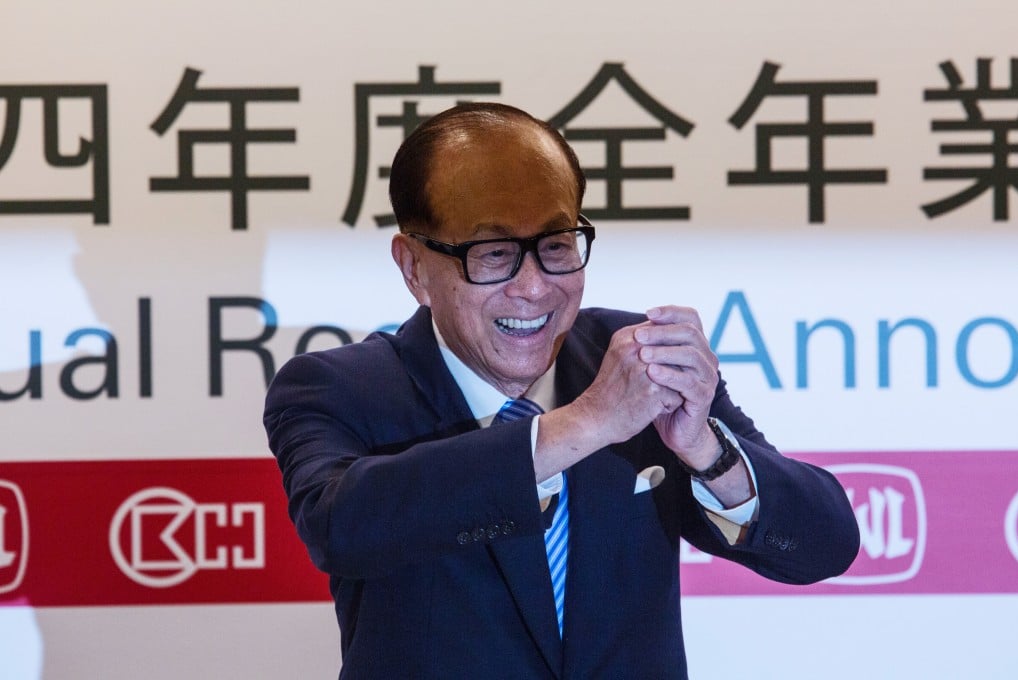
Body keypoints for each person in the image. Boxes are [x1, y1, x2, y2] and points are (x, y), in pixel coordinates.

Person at [263, 102, 859, 679]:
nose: (534, 288)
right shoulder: (339, 388)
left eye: (555, 246)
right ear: (413, 267)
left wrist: (705, 449)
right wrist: (585, 423)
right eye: (492, 254)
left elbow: (825, 545)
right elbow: (343, 527)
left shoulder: (635, 360)